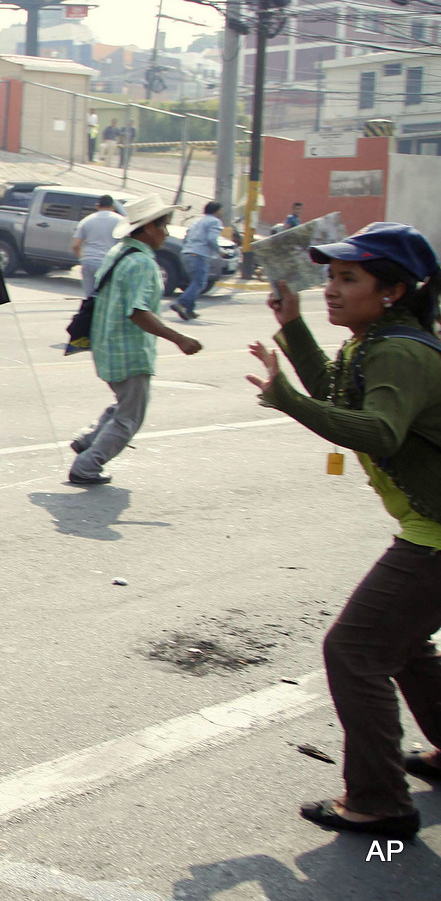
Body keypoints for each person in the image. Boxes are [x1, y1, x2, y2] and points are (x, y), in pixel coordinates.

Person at [246, 223, 441, 841]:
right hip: (429, 524)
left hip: (437, 535)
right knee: (402, 644)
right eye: (330, 275)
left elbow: (377, 431)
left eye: (347, 278)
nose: (331, 288)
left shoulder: (400, 351)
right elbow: (340, 395)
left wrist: (285, 399)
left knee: (355, 651)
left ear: (392, 290)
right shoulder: (376, 340)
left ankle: (380, 805)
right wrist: (293, 324)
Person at [68, 194, 203, 486]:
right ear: (148, 228)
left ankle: (87, 439)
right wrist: (179, 339)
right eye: (164, 225)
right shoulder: (142, 263)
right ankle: (87, 465)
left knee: (125, 404)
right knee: (130, 416)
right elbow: (138, 312)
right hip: (129, 351)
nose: (167, 232)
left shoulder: (119, 252)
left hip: (106, 346)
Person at [176, 200, 225, 319]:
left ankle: (189, 310)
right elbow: (211, 238)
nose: (222, 212)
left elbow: (186, 236)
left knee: (195, 282)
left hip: (187, 253)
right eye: (221, 210)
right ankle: (181, 303)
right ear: (217, 211)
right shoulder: (214, 221)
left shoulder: (198, 221)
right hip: (199, 254)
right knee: (200, 283)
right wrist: (220, 251)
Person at [72, 194, 123, 297]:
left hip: (88, 261)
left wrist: (83, 259)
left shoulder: (86, 220)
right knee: (105, 297)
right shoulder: (120, 221)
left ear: (97, 206)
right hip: (108, 263)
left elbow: (76, 245)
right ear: (113, 206)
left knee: (90, 297)